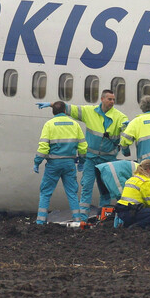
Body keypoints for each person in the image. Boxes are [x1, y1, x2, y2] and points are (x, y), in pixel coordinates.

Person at [39, 89, 128, 217]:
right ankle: (82, 218)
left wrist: (127, 127)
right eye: (109, 99)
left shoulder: (119, 117)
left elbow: (126, 130)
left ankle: (102, 218)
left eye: (114, 99)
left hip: (108, 159)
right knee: (86, 186)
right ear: (102, 99)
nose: (112, 102)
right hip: (91, 158)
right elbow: (71, 109)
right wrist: (53, 104)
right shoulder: (89, 112)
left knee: (106, 190)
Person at [34, 101, 87, 225]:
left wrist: (37, 162)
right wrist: (82, 161)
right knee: (72, 192)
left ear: (53, 112)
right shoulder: (75, 125)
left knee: (46, 192)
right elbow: (83, 147)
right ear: (65, 111)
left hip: (53, 164)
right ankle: (77, 220)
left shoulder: (49, 125)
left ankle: (40, 222)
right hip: (69, 164)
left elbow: (43, 147)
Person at [116, 159, 150, 229]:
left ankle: (127, 225)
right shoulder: (146, 181)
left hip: (122, 211)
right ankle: (137, 226)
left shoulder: (132, 178)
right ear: (148, 169)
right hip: (131, 212)